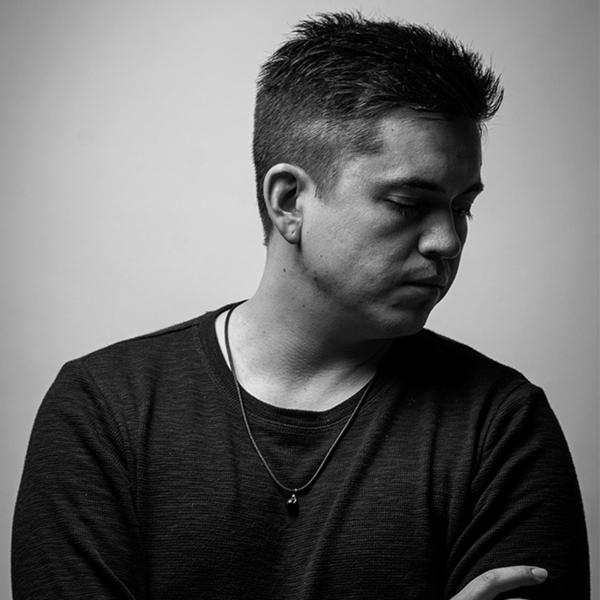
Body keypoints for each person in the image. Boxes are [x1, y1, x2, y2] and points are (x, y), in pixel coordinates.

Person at [12, 12, 589, 600]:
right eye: (408, 203)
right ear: (289, 201)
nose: (447, 241)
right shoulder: (105, 411)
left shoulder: (501, 426)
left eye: (462, 207)